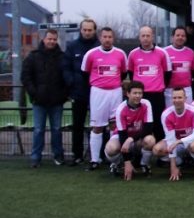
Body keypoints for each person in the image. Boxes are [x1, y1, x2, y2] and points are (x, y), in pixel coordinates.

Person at [81, 27, 128, 171]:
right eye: (104, 37)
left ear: (113, 38)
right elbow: (85, 73)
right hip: (98, 92)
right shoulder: (91, 54)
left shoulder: (120, 54)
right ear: (100, 38)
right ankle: (95, 160)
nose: (107, 39)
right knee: (97, 126)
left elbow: (123, 73)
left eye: (110, 37)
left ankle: (113, 159)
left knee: (115, 125)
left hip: (115, 92)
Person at [22, 29, 68, 167]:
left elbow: (67, 78)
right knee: (38, 130)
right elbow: (25, 77)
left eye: (54, 39)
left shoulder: (63, 57)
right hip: (39, 101)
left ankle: (58, 155)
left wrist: (63, 95)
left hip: (57, 101)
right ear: (44, 39)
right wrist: (34, 93)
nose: (52, 41)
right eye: (49, 39)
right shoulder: (33, 56)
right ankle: (35, 157)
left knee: (57, 130)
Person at [62, 18, 99, 165]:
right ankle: (77, 155)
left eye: (90, 30)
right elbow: (65, 68)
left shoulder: (100, 46)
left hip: (97, 93)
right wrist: (72, 82)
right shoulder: (72, 46)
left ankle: (100, 155)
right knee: (77, 125)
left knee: (99, 124)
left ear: (94, 31)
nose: (87, 32)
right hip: (78, 92)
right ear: (80, 30)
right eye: (85, 30)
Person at [127, 26, 171, 141]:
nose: (145, 38)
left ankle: (160, 150)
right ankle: (140, 149)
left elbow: (167, 73)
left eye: (148, 35)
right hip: (140, 95)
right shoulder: (133, 54)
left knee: (158, 124)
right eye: (143, 36)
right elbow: (130, 73)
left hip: (157, 96)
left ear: (152, 37)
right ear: (139, 37)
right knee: (140, 124)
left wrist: (159, 86)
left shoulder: (162, 53)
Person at [105, 81, 155, 180]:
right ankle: (117, 164)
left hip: (138, 136)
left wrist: (131, 139)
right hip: (122, 136)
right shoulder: (121, 109)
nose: (138, 96)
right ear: (128, 94)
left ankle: (144, 164)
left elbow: (148, 128)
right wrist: (127, 162)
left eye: (140, 93)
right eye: (135, 93)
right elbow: (122, 136)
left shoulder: (146, 104)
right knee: (111, 148)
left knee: (150, 140)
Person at [155, 87, 194, 180]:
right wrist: (173, 166)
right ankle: (180, 163)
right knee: (157, 150)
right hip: (175, 143)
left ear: (185, 98)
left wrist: (179, 141)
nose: (177, 100)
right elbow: (170, 140)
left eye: (180, 97)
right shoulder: (166, 114)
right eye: (174, 98)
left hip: (190, 142)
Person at [163, 26, 194, 107]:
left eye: (183, 36)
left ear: (186, 38)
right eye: (178, 35)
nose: (180, 37)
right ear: (172, 37)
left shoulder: (191, 52)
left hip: (186, 89)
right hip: (170, 90)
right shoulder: (164, 52)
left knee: (187, 112)